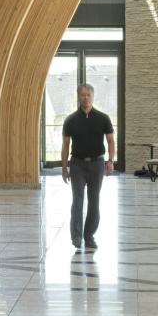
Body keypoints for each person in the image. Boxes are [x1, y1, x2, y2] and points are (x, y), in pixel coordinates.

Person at [61, 83, 115, 249]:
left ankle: (89, 235)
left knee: (94, 201)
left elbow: (111, 141)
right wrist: (64, 168)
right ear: (79, 96)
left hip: (97, 164)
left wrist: (110, 161)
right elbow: (65, 145)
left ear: (93, 96)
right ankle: (76, 237)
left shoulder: (103, 118)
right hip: (77, 164)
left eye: (88, 95)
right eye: (82, 95)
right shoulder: (70, 120)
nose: (85, 97)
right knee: (77, 200)